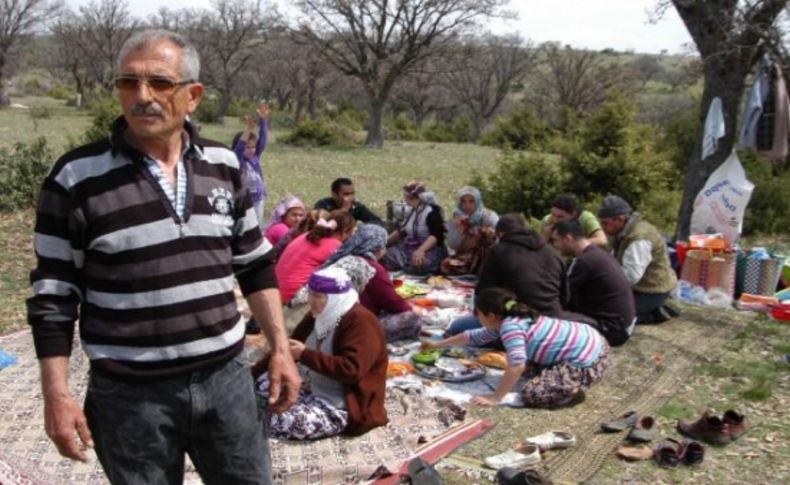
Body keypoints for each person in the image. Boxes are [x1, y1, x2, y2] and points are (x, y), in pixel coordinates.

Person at [26, 29, 300, 483]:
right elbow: (53, 296)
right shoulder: (76, 176)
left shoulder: (224, 165)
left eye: (159, 83)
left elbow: (254, 263)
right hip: (130, 395)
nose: (142, 96)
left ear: (193, 96)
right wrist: (56, 395)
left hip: (226, 379)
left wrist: (279, 350)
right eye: (128, 83)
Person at [252, 267, 388, 439]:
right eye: (310, 294)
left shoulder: (361, 323)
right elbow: (287, 349)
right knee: (262, 383)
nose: (311, 301)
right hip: (309, 387)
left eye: (318, 296)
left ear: (335, 299)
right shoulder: (319, 315)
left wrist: (305, 355)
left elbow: (352, 370)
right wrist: (251, 376)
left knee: (277, 421)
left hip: (338, 404)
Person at [424, 288, 608, 408]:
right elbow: (471, 336)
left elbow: (517, 365)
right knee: (529, 373)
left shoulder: (510, 327)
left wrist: (496, 397)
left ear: (491, 315)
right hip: (593, 340)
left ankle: (569, 389)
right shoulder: (504, 320)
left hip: (587, 360)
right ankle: (560, 379)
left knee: (532, 394)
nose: (477, 319)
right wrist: (437, 344)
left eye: (479, 314)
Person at [446, 213, 565, 336]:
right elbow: (564, 296)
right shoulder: (554, 253)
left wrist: (478, 313)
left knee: (456, 327)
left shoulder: (499, 251)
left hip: (518, 320)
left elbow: (484, 292)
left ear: (500, 234)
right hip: (553, 320)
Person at [323, 224, 422, 342]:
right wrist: (412, 309)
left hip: (328, 323)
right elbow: (393, 302)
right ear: (377, 247)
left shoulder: (342, 257)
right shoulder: (371, 267)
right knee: (412, 318)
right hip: (350, 330)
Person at [552, 219, 636, 346]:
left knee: (550, 319)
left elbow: (560, 295)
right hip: (622, 325)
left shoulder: (584, 261)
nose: (555, 246)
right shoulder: (599, 254)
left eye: (556, 240)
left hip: (612, 330)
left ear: (568, 239)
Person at [598, 195, 679, 324]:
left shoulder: (639, 238)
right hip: (638, 287)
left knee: (610, 313)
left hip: (651, 290)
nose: (602, 227)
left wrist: (604, 280)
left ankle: (653, 314)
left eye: (605, 223)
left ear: (619, 220)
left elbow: (631, 276)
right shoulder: (620, 231)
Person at [276, 210, 355, 304]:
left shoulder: (307, 235)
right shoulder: (335, 246)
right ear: (345, 232)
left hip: (275, 288)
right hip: (291, 295)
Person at [383, 181, 448, 275]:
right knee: (386, 256)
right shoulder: (412, 210)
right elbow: (402, 231)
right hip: (409, 248)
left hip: (429, 250)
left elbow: (435, 235)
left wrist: (421, 250)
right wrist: (384, 243)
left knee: (419, 263)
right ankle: (403, 270)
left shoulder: (431, 211)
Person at [441, 186, 499, 275]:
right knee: (446, 265)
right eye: (464, 201)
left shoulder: (489, 216)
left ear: (477, 201)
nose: (467, 205)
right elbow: (453, 245)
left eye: (471, 201)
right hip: (466, 255)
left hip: (488, 255)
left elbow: (500, 237)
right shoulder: (456, 218)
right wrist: (460, 232)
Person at [233, 103, 269, 223]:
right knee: (246, 224)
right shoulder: (238, 160)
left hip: (258, 199)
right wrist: (248, 130)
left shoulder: (255, 158)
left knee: (258, 225)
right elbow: (239, 147)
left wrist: (263, 120)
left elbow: (262, 140)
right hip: (245, 200)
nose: (251, 150)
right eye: (248, 147)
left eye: (253, 147)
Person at [540, 194, 608, 247]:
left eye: (560, 217)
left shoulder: (585, 218)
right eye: (553, 215)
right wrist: (545, 237)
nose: (555, 220)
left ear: (573, 214)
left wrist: (576, 243)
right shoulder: (547, 221)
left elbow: (602, 240)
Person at [314, 177, 383, 225]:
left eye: (352, 193)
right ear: (334, 194)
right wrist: (344, 209)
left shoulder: (356, 206)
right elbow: (323, 225)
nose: (350, 197)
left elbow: (377, 221)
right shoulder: (323, 204)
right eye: (346, 194)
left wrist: (362, 229)